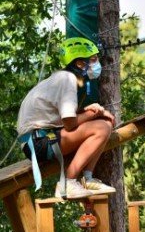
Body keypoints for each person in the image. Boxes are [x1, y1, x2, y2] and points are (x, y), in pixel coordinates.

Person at [17, 37, 116, 199]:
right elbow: (69, 124)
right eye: (93, 60)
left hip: (38, 139)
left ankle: (88, 179)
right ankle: (68, 183)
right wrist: (94, 113)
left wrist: (88, 110)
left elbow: (66, 117)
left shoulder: (62, 78)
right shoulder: (68, 79)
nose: (97, 64)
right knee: (102, 127)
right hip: (38, 142)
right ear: (79, 64)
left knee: (103, 124)